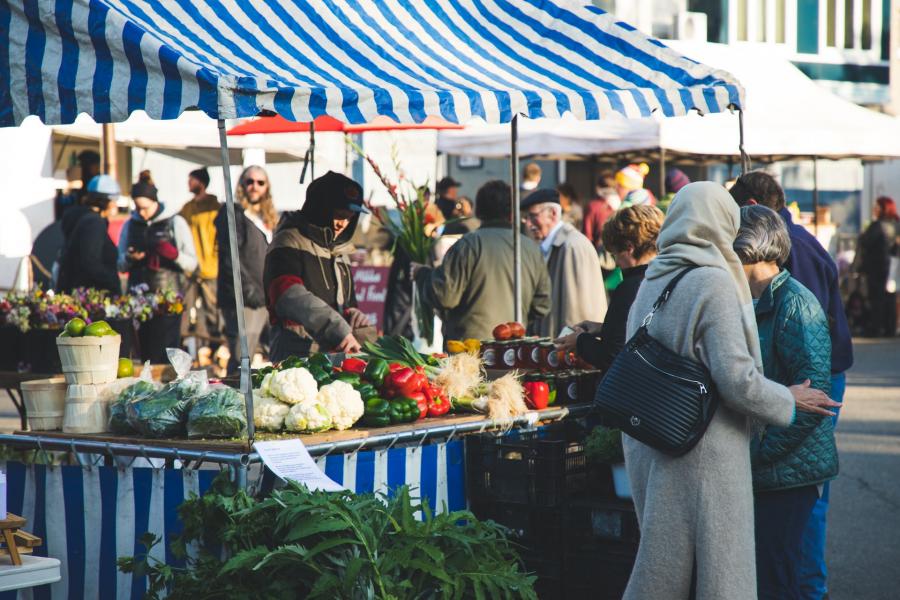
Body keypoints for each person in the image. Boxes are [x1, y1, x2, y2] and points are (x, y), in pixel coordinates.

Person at [621, 182, 839, 600]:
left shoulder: (654, 275)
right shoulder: (714, 282)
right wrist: (787, 398)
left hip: (655, 439)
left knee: (663, 572)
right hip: (707, 450)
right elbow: (737, 380)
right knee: (721, 577)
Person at [730, 170, 853, 600]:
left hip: (786, 471)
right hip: (775, 467)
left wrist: (758, 454)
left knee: (781, 573)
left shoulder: (794, 304)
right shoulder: (762, 299)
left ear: (752, 249)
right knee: (772, 569)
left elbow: (812, 398)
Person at [414, 180, 551, 341]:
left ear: (479, 211)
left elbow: (444, 296)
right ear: (512, 213)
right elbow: (542, 305)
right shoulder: (531, 248)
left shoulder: (468, 245)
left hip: (470, 351)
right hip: (514, 349)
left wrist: (422, 274)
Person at [264, 171, 372, 359]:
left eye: (350, 217)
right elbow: (287, 295)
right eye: (338, 215)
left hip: (334, 353)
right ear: (320, 209)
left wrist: (353, 313)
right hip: (296, 353)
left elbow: (344, 302)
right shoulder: (289, 240)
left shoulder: (341, 249)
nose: (343, 224)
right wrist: (336, 326)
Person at [554, 205, 663, 369]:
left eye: (615, 254)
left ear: (629, 248)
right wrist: (603, 329)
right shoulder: (665, 277)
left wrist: (579, 340)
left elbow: (612, 355)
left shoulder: (631, 287)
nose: (617, 263)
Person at [521, 188, 606, 338]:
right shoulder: (557, 245)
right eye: (526, 217)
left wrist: (568, 351)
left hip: (568, 351)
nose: (528, 224)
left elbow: (577, 312)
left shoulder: (572, 246)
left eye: (533, 216)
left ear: (553, 214)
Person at [216, 165, 275, 374]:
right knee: (242, 358)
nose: (254, 186)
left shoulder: (268, 218)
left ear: (267, 187)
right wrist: (249, 291)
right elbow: (229, 259)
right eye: (249, 181)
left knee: (276, 352)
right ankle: (233, 403)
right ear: (242, 184)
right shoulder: (232, 213)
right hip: (242, 298)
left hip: (268, 295)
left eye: (260, 182)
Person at [117, 170, 198, 293]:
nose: (141, 213)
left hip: (168, 296)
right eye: (137, 208)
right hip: (137, 295)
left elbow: (192, 264)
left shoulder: (175, 222)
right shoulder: (129, 225)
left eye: (145, 208)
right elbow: (119, 265)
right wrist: (129, 258)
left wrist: (176, 255)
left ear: (155, 201)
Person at [57, 174, 122, 295]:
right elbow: (90, 262)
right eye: (114, 200)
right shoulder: (94, 223)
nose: (116, 205)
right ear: (106, 201)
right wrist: (112, 283)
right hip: (90, 296)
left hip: (76, 291)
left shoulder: (83, 219)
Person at [180, 167, 222, 343]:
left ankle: (215, 346)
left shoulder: (214, 208)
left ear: (202, 182)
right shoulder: (187, 208)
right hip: (190, 269)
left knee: (212, 311)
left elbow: (219, 237)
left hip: (210, 268)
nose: (189, 183)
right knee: (185, 309)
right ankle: (185, 344)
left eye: (193, 179)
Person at [857, 196, 899, 337]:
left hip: (877, 266)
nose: (874, 209)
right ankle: (890, 328)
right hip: (892, 266)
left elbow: (866, 242)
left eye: (877, 207)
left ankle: (876, 328)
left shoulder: (877, 225)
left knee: (876, 298)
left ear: (884, 208)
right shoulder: (896, 224)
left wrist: (862, 235)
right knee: (891, 297)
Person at [583, 172, 620, 250]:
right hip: (617, 252)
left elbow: (587, 234)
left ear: (598, 187)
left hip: (598, 252)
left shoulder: (593, 206)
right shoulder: (622, 204)